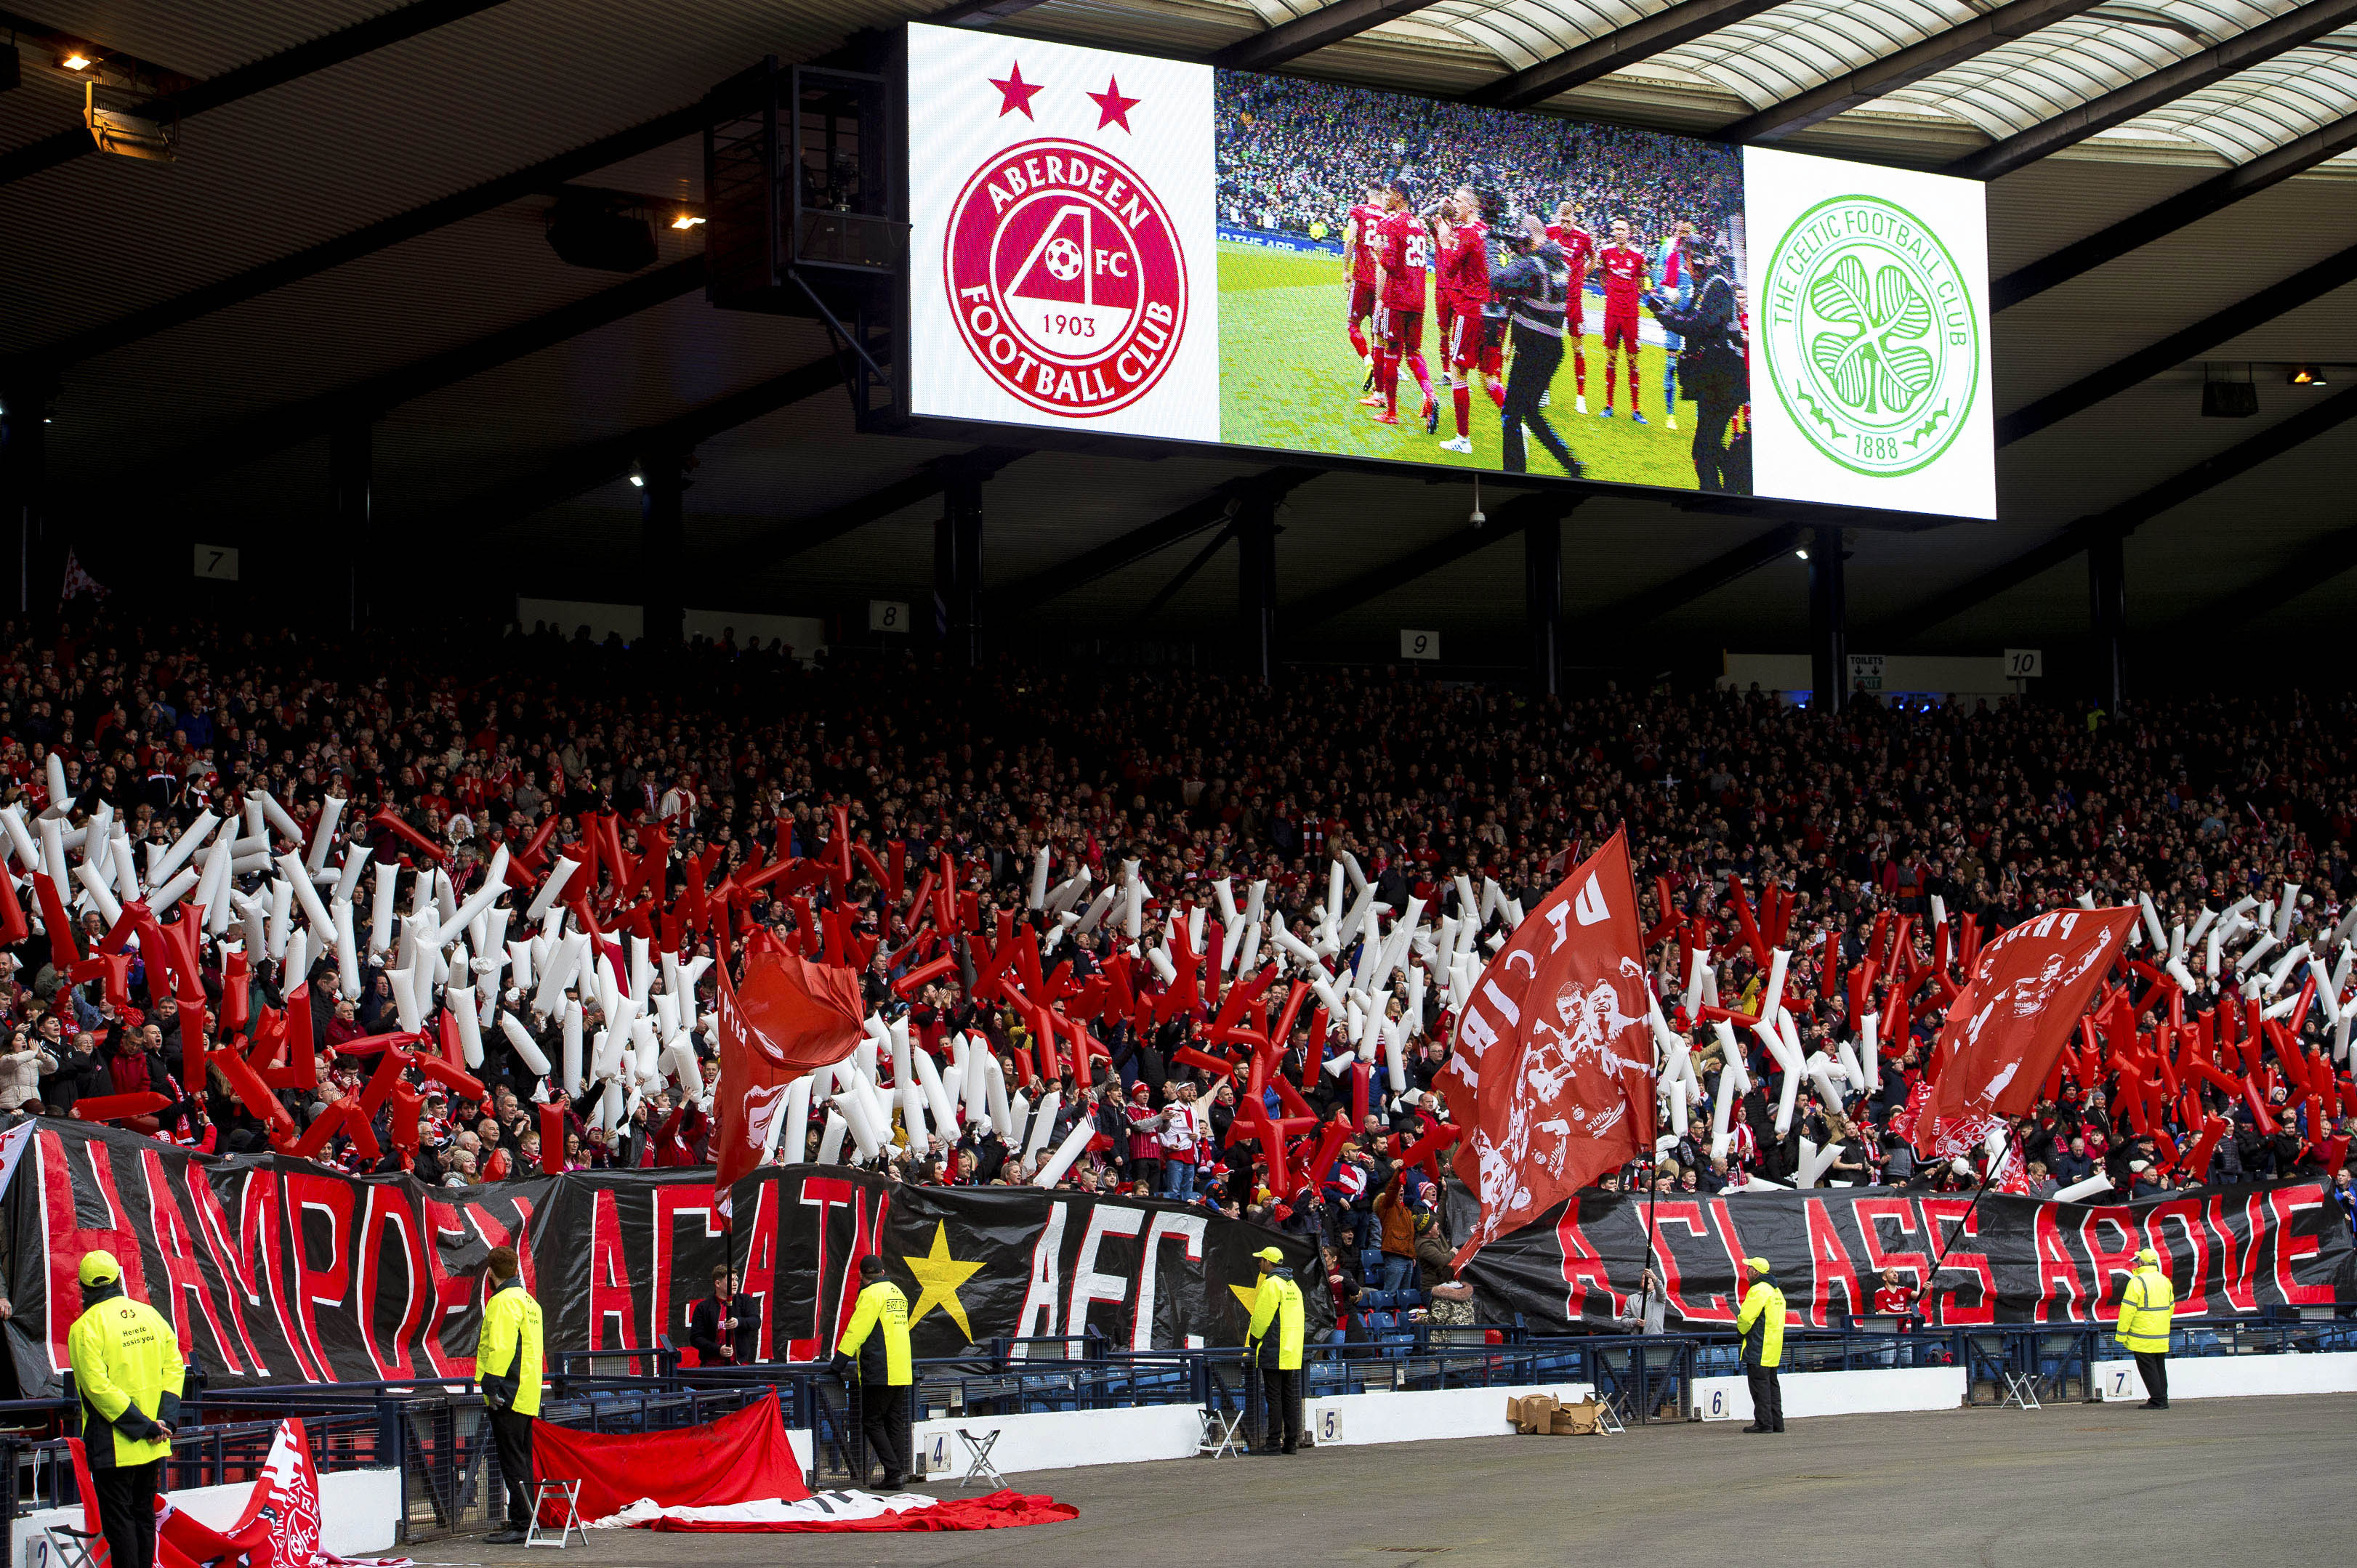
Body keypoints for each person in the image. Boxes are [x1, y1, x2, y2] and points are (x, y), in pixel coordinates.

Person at [67, 1250, 182, 1568]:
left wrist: (143, 1425)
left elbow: (97, 1389)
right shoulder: (150, 1316)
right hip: (154, 1441)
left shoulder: (84, 1327)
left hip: (115, 1444)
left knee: (120, 1525)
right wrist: (165, 1421)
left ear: (84, 1287)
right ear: (119, 1278)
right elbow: (175, 1368)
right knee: (143, 1516)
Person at [1648, 239, 1746, 492]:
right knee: (1708, 448)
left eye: (1687, 260)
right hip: (1715, 380)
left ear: (1697, 259)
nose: (1685, 266)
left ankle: (1724, 493)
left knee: (1703, 451)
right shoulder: (1706, 286)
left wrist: (1667, 316)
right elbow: (1690, 320)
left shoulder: (1718, 286)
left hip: (1722, 381)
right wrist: (1664, 311)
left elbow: (1702, 325)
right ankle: (1736, 485)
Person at [1492, 214, 1580, 477]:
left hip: (1533, 348)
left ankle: (1514, 474)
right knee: (1530, 411)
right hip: (1551, 347)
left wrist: (1492, 250)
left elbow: (1497, 280)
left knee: (1511, 416)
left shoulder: (1533, 265)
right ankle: (1572, 465)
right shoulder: (1558, 262)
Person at [475, 1245, 544, 1544]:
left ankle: (521, 1523)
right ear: (516, 1269)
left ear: (490, 1274)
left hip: (508, 1392)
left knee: (511, 1460)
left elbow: (501, 1347)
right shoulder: (530, 1302)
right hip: (528, 1391)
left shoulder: (502, 1302)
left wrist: (490, 1384)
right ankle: (524, 1518)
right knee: (522, 1458)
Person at [834, 1254, 912, 1487]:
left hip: (881, 1368)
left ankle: (893, 1473)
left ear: (861, 1275)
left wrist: (838, 1363)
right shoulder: (897, 1292)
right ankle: (899, 1472)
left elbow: (857, 1330)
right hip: (902, 1368)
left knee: (871, 1422)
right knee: (894, 1420)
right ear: (882, 1271)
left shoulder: (870, 1294)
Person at [1244, 1245, 1305, 1455]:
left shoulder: (1272, 1284)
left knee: (1274, 1397)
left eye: (1261, 1260)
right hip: (1292, 1349)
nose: (1259, 1263)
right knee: (1289, 1396)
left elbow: (1261, 1318)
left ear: (1268, 1263)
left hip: (1274, 1348)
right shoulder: (1293, 1285)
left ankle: (1272, 1444)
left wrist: (1254, 1340)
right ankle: (1290, 1443)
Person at [2116, 1245, 2176, 1410]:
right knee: (2159, 1367)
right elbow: (2171, 1307)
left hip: (2142, 1335)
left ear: (2142, 1262)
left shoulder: (2137, 1282)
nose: (2136, 1264)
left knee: (2148, 1368)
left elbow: (2128, 1310)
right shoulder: (2165, 1281)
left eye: (2138, 1261)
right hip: (2161, 1334)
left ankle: (2158, 1400)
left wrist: (2121, 1335)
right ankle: (2162, 1398)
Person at [1734, 1256, 1786, 1435]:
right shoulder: (1777, 1291)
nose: (1747, 1271)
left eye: (1749, 1268)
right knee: (1772, 1386)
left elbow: (1746, 1317)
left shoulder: (1759, 1290)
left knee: (1759, 1388)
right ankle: (1776, 1422)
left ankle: (1764, 1423)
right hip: (1773, 1347)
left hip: (1758, 1345)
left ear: (1756, 1272)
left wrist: (1740, 1332)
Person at [689, 1264, 744, 1366]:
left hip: (741, 1365)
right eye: (731, 1280)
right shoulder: (704, 1307)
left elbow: (756, 1321)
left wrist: (739, 1322)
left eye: (736, 1279)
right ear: (718, 1283)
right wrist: (718, 1349)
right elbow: (696, 1338)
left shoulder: (744, 1301)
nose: (735, 1284)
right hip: (713, 1365)